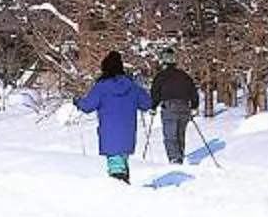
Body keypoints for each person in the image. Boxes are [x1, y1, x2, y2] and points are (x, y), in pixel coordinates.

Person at [73, 49, 155, 182]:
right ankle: (124, 186)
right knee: (122, 161)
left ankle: (119, 187)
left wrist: (77, 102)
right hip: (127, 132)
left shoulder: (101, 87)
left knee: (116, 167)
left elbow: (87, 106)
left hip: (109, 133)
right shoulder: (132, 86)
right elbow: (147, 104)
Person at [147, 48, 201, 165]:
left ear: (164, 61)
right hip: (184, 107)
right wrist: (194, 106)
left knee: (170, 135)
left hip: (169, 107)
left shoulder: (161, 76)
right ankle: (179, 157)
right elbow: (193, 91)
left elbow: (155, 93)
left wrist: (153, 106)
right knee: (180, 134)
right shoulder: (184, 75)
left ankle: (175, 158)